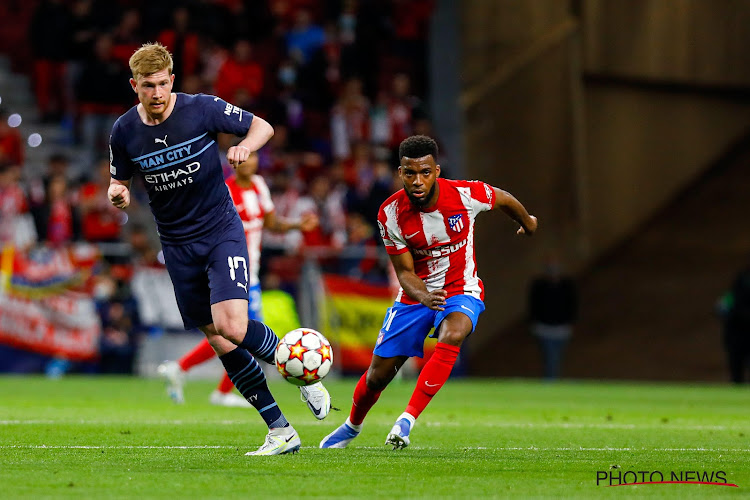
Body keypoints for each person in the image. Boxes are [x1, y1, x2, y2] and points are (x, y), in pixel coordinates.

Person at [108, 42, 327, 455]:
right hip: (175, 245)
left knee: (233, 326)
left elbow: (263, 125)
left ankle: (306, 375)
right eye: (146, 86)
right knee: (219, 339)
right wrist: (117, 193)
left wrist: (247, 146)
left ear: (171, 81)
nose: (155, 94)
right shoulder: (124, 131)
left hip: (220, 231)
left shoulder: (202, 108)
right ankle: (280, 430)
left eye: (161, 84)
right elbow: (119, 179)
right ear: (134, 86)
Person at [320, 135, 537, 450]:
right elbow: (404, 271)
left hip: (460, 287)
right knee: (377, 377)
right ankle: (352, 425)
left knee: (454, 332)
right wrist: (423, 296)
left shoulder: (465, 194)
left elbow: (502, 198)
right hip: (415, 295)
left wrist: (527, 221)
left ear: (437, 170)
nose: (417, 180)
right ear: (400, 173)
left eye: (424, 172)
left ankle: (406, 420)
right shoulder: (389, 213)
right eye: (410, 173)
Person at [157, 152, 328, 418]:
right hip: (229, 271)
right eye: (243, 158)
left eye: (253, 156)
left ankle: (188, 372)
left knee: (233, 331)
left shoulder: (259, 185)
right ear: (233, 163)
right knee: (239, 331)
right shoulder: (223, 190)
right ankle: (219, 387)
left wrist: (296, 224)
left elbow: (271, 224)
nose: (249, 162)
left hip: (253, 272)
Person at [528, 255, 577, 380]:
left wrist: (570, 322)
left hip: (562, 329)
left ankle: (552, 379)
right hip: (544, 329)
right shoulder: (539, 285)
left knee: (556, 357)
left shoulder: (567, 285)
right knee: (550, 357)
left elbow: (572, 305)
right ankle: (551, 380)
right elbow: (534, 305)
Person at [718, 266, 750, 383]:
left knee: (737, 365)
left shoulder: (733, 293)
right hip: (736, 335)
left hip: (736, 335)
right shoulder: (732, 295)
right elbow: (721, 310)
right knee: (736, 366)